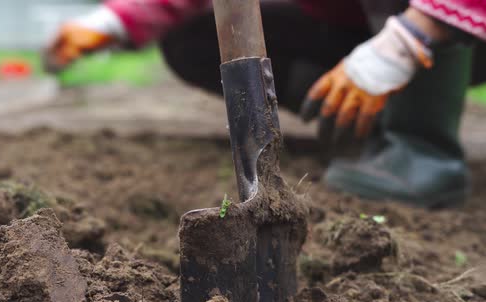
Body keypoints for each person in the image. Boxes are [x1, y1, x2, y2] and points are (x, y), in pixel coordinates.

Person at [44, 0, 486, 208]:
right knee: (194, 37)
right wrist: (112, 21)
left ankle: (425, 152)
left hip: (455, 25)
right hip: (352, 24)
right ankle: (370, 117)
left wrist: (407, 39)